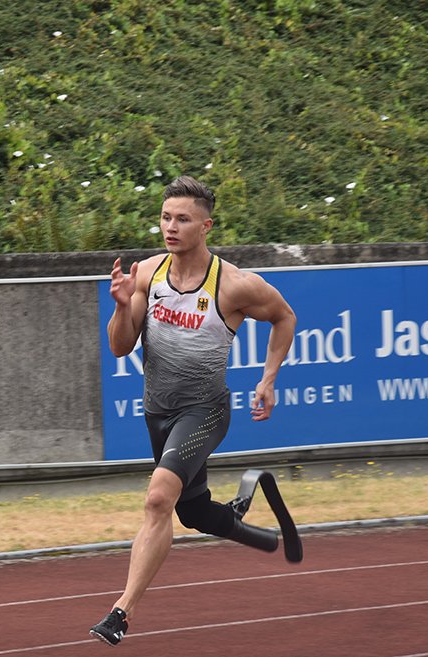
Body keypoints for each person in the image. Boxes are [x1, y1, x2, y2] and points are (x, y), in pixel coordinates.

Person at [89, 175, 297, 646]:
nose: (171, 226)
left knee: (159, 498)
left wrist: (267, 379)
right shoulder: (147, 274)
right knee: (193, 512)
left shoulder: (236, 285)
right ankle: (244, 516)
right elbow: (121, 347)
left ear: (206, 226)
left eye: (183, 219)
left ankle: (121, 612)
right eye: (166, 217)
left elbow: (285, 316)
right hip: (156, 412)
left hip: (205, 409)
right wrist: (122, 308)